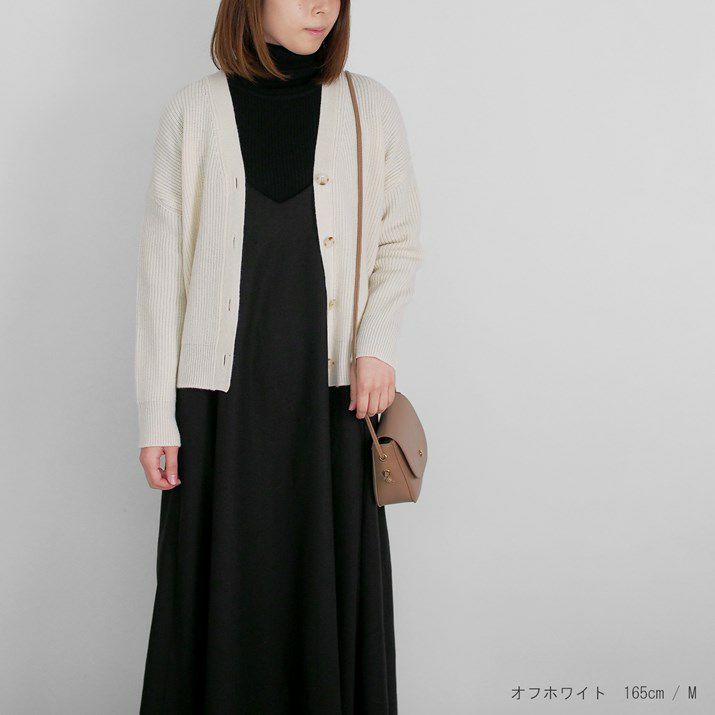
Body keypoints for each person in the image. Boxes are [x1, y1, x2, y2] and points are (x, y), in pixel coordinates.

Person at [134, 0, 422, 712]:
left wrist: (376, 345)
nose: (322, 6)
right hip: (219, 402)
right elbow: (162, 274)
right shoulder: (194, 112)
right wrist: (156, 415)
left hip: (331, 396)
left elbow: (399, 242)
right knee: (220, 584)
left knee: (325, 580)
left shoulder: (369, 107)